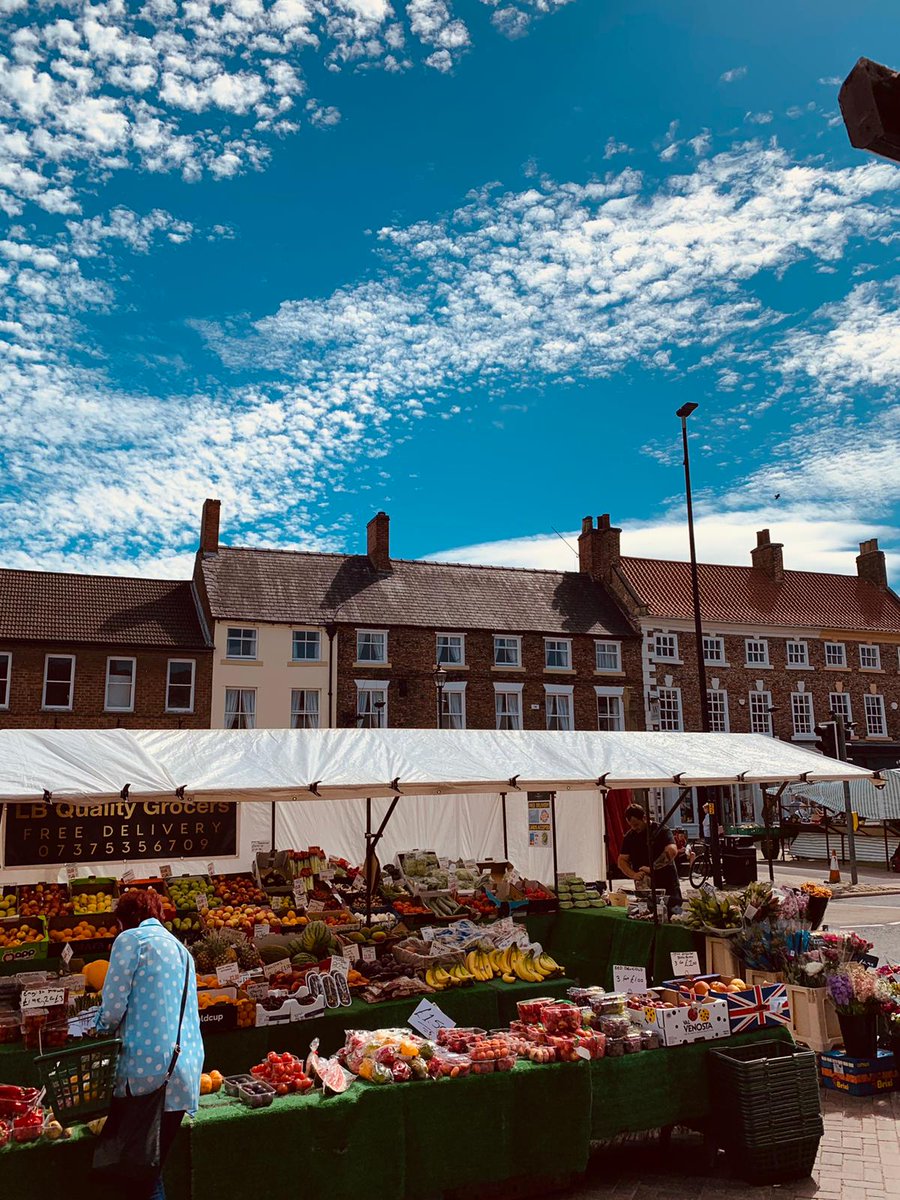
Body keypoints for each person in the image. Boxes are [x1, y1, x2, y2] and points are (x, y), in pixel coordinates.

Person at [95, 888, 204, 1200]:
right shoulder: (183, 952)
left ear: (123, 920)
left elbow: (113, 1008)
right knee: (149, 1168)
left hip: (146, 1073)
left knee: (139, 1175)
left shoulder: (131, 940)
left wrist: (94, 1025)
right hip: (183, 1070)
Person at [617, 802, 682, 910]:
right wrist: (633, 874)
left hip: (667, 884)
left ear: (644, 818)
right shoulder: (630, 836)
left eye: (636, 824)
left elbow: (672, 851)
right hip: (645, 888)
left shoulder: (662, 830)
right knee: (648, 914)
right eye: (631, 826)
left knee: (675, 913)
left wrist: (652, 868)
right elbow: (622, 861)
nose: (634, 828)